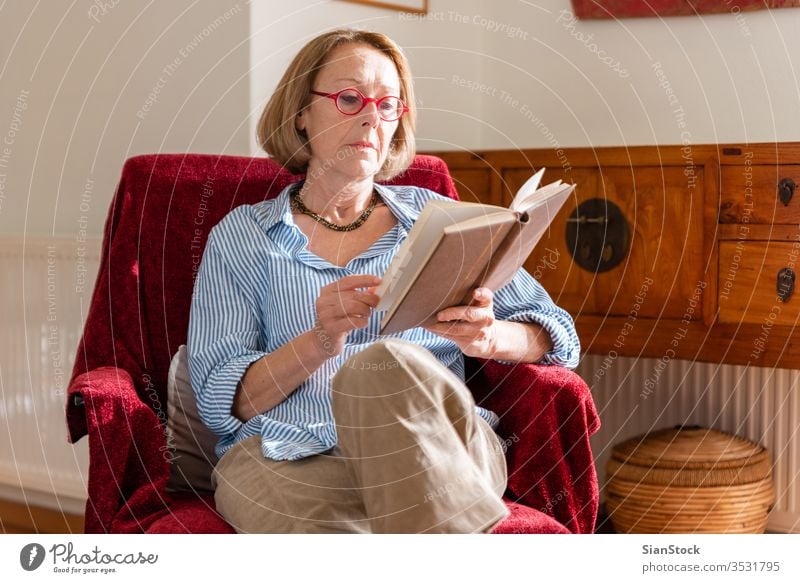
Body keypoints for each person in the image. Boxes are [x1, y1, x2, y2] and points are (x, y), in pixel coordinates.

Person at [187, 28, 580, 534]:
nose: (373, 116)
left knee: (385, 364)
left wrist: (490, 336)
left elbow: (558, 336)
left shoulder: (444, 222)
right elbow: (222, 401)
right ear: (300, 113)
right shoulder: (243, 236)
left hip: (437, 447)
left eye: (389, 104)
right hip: (288, 453)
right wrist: (320, 341)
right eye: (350, 98)